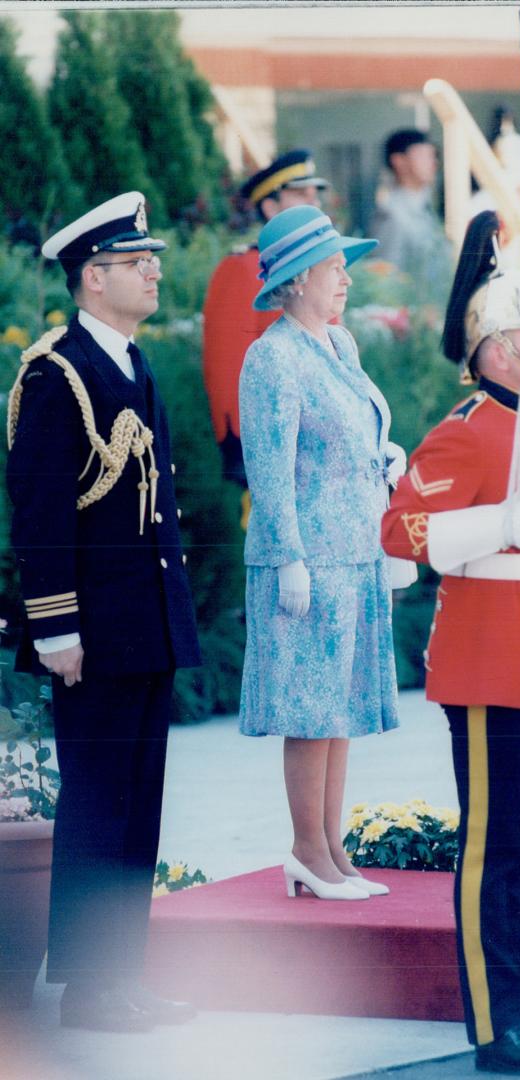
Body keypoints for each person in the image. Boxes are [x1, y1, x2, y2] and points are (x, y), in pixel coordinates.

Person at [381, 212, 520, 1073]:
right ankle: (496, 1023)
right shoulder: (472, 428)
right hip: (487, 662)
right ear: (506, 347)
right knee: (495, 846)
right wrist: (489, 523)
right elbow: (399, 531)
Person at [6, 192, 201, 1032]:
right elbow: (42, 510)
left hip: (140, 623)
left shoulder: (128, 358)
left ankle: (121, 976)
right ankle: (89, 989)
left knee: (138, 803)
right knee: (97, 804)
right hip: (89, 631)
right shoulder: (57, 371)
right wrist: (54, 626)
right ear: (92, 277)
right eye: (136, 262)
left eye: (152, 258)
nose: (154, 271)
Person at [238, 205, 407, 901]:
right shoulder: (271, 355)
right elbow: (269, 466)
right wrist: (287, 557)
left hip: (355, 548)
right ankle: (307, 849)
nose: (346, 278)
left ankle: (332, 849)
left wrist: (384, 459)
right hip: (305, 557)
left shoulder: (340, 346)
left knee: (339, 709)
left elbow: (350, 434)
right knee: (310, 710)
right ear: (299, 277)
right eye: (335, 267)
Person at [202, 150, 329, 501]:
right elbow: (228, 364)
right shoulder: (243, 267)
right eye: (301, 194)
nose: (314, 201)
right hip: (273, 440)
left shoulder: (324, 264)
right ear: (271, 207)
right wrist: (239, 440)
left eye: (314, 193)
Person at [369, 128, 451, 293]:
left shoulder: (426, 209)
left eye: (433, 156)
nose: (433, 162)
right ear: (399, 161)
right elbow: (385, 280)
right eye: (423, 155)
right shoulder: (392, 215)